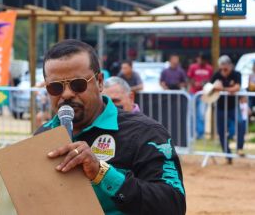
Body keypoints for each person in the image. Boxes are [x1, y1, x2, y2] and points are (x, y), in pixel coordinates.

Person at [35, 40, 186, 214]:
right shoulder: (42, 136)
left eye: (78, 84)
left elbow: (174, 206)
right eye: (55, 87)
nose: (67, 94)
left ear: (99, 82)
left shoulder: (146, 133)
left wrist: (102, 173)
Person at [211, 55, 242, 164]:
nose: (223, 70)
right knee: (221, 131)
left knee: (240, 124)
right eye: (221, 67)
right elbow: (210, 88)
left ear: (230, 65)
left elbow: (237, 88)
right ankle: (228, 155)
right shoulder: (217, 75)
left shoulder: (236, 74)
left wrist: (222, 88)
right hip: (220, 107)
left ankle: (240, 148)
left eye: (225, 67)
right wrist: (214, 87)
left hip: (233, 106)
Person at [187, 54, 213, 139]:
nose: (202, 62)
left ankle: (200, 134)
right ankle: (190, 134)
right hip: (193, 93)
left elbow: (211, 80)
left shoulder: (209, 68)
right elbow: (189, 78)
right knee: (191, 114)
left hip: (204, 94)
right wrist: (193, 83)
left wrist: (205, 83)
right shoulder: (193, 67)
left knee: (201, 114)